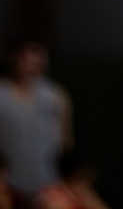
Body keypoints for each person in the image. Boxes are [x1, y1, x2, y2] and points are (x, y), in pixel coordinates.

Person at [0, 36, 71, 206]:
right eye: (27, 58)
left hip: (47, 183)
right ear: (14, 58)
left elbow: (65, 140)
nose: (33, 64)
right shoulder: (2, 95)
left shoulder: (55, 96)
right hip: (7, 184)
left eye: (38, 58)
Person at [33, 149, 110, 209]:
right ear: (78, 174)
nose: (89, 182)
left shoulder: (82, 196)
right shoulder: (49, 196)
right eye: (87, 176)